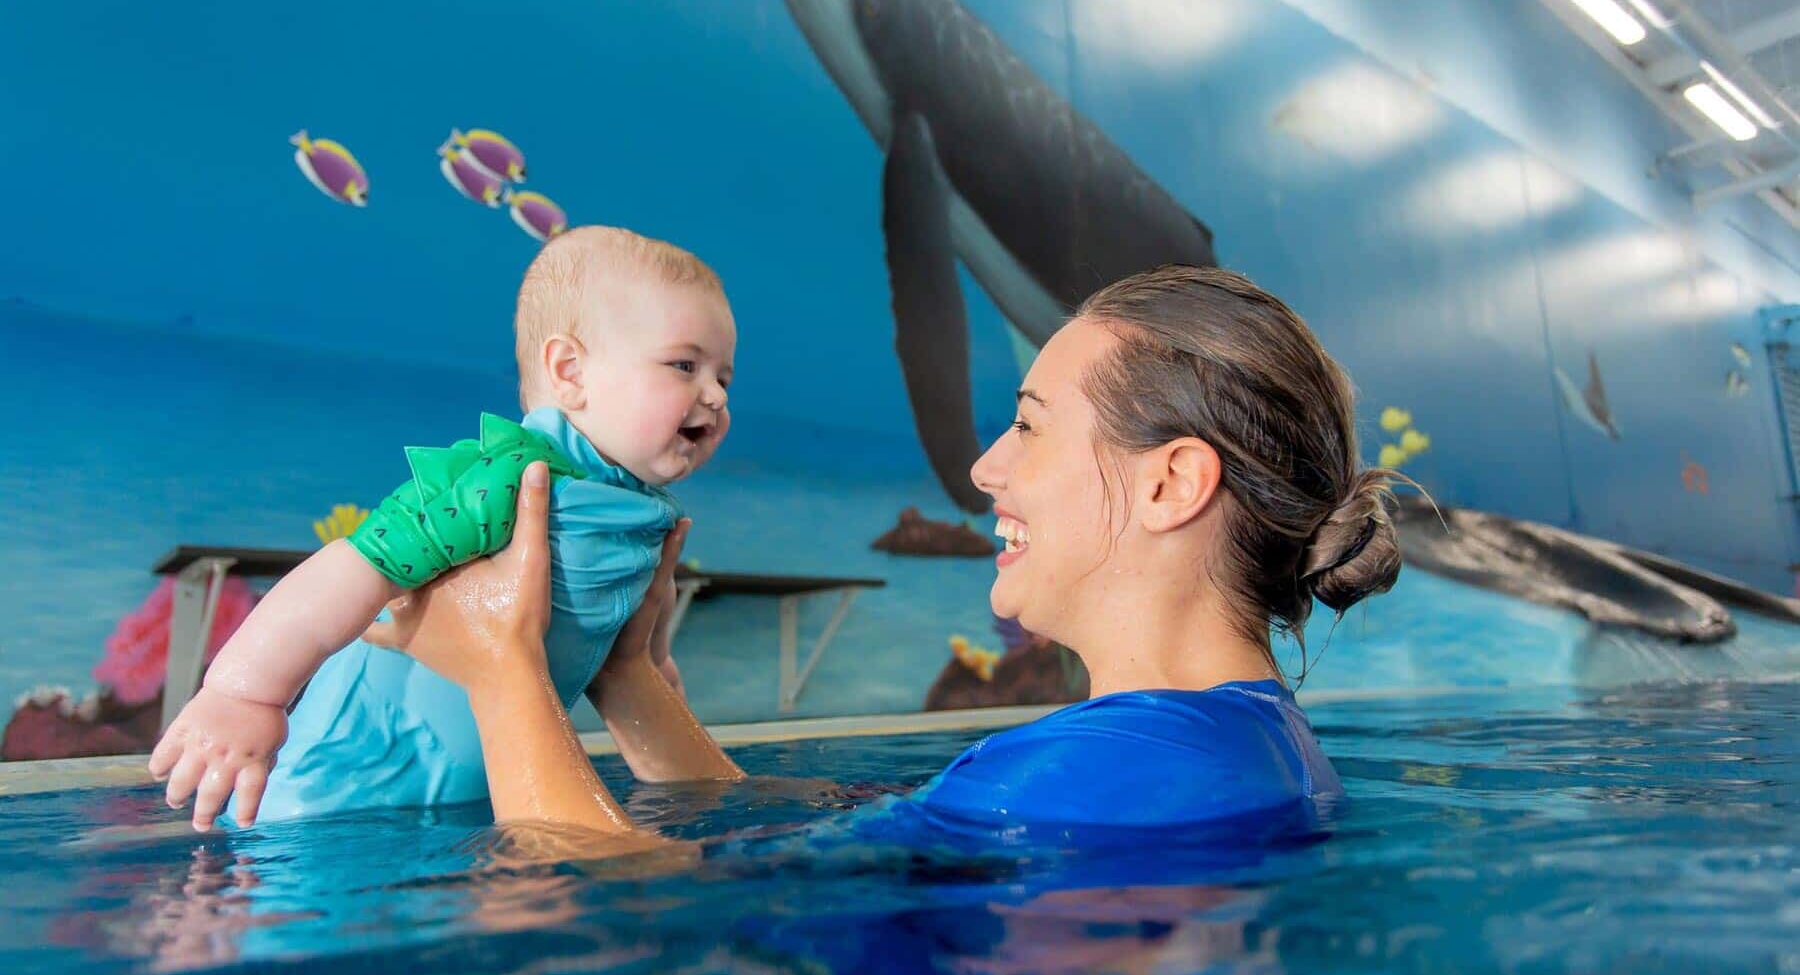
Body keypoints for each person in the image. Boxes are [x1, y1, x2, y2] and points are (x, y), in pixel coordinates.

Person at [360, 264, 1400, 845]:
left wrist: (500, 666)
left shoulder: (1123, 774)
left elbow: (633, 914)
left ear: (1171, 484)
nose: (989, 469)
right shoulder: (1220, 747)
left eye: (1030, 426)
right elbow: (817, 861)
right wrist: (632, 680)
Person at [151, 226, 741, 830]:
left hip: (469, 803)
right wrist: (245, 695)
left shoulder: (642, 517)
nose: (715, 395)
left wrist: (664, 708)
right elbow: (357, 563)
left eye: (724, 375)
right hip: (344, 792)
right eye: (684, 365)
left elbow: (645, 656)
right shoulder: (507, 479)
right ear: (570, 372)